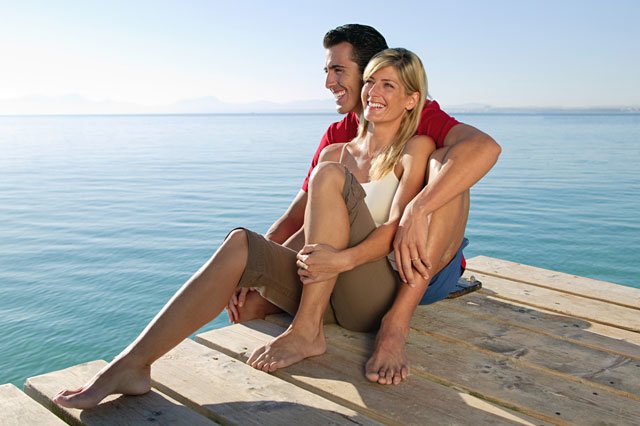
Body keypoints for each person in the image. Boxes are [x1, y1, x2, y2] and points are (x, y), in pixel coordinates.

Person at [52, 47, 435, 409]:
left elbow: (394, 229)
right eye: (370, 81)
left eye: (390, 85)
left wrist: (341, 261)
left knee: (329, 175)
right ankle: (131, 365)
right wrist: (257, 270)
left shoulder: (414, 149)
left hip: (368, 293)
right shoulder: (336, 151)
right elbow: (307, 228)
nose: (374, 92)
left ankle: (306, 332)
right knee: (241, 244)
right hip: (325, 282)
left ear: (411, 99)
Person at [227, 24, 501, 385]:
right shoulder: (337, 137)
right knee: (249, 306)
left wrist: (416, 210)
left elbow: (486, 148)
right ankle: (317, 323)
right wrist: (254, 270)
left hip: (420, 264)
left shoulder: (422, 114)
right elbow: (298, 216)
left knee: (446, 166)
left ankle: (395, 325)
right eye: (326, 71)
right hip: (358, 266)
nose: (329, 82)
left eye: (338, 70)